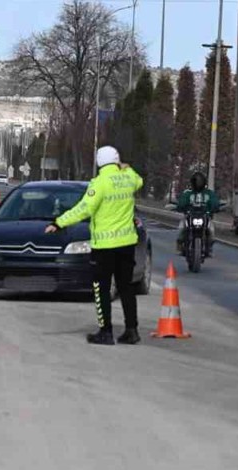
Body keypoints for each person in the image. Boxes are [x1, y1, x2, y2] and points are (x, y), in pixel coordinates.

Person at [45, 146, 143, 346]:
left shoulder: (99, 183)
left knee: (102, 289)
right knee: (126, 288)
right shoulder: (128, 178)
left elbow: (84, 209)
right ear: (117, 160)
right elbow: (139, 181)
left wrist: (59, 222)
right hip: (126, 243)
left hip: (105, 245)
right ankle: (131, 330)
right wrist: (127, 168)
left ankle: (105, 331)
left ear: (99, 162)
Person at [174, 171, 221, 257]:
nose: (198, 183)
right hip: (190, 216)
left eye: (200, 181)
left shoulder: (209, 193)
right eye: (196, 181)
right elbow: (181, 202)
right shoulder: (188, 193)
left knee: (211, 231)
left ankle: (209, 248)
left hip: (205, 216)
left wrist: (216, 207)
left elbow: (215, 202)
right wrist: (179, 207)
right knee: (181, 229)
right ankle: (180, 246)